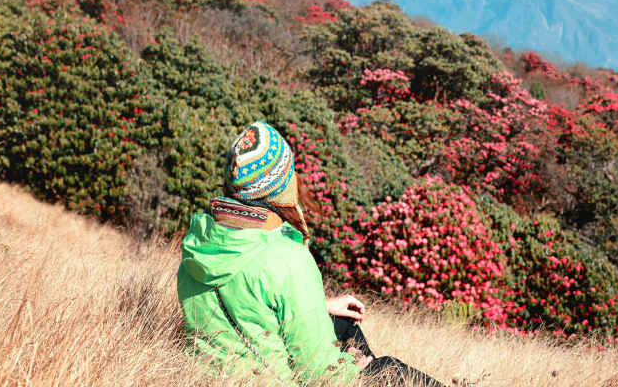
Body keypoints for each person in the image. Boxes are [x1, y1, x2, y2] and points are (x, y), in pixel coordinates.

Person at [178, 120, 444, 386]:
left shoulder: (197, 245)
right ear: (279, 185)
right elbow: (318, 372)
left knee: (341, 323)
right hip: (273, 381)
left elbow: (245, 303)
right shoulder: (288, 259)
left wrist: (319, 304)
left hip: (221, 378)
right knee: (387, 367)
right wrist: (356, 366)